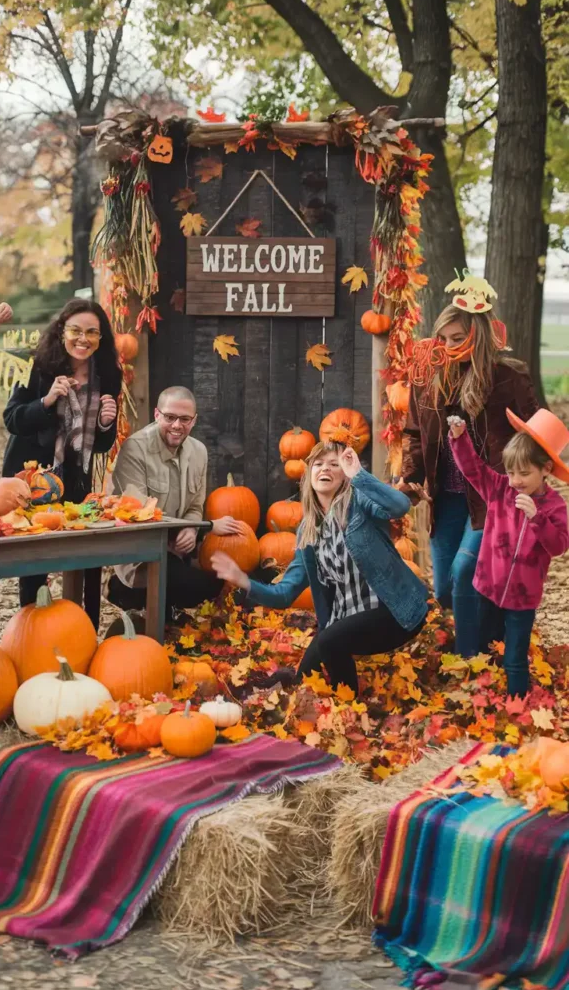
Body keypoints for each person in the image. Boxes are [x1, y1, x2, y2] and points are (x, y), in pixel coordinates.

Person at [211, 441, 429, 696]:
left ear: (344, 475)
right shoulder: (308, 531)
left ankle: (347, 706)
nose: (325, 468)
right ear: (308, 474)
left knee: (329, 640)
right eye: (318, 464)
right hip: (346, 621)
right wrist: (243, 580)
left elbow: (400, 505)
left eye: (334, 464)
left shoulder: (360, 503)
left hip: (395, 613)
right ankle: (285, 694)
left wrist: (359, 473)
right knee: (304, 679)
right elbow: (284, 594)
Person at [398, 274, 539, 658]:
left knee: (465, 575)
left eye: (457, 339)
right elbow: (413, 432)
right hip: (447, 497)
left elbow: (535, 432)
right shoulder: (427, 378)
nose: (447, 346)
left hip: (492, 498)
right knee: (444, 588)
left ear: (477, 335)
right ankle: (495, 638)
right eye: (443, 338)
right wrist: (410, 476)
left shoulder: (508, 378)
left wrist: (524, 479)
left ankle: (470, 660)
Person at [3, 297, 122, 628]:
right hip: (31, 476)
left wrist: (104, 424)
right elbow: (12, 419)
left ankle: (85, 628)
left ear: (101, 338)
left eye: (92, 333)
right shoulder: (39, 364)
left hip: (75, 477)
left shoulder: (108, 374)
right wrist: (47, 400)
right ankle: (31, 630)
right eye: (75, 330)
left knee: (83, 556)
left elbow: (101, 444)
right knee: (34, 560)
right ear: (61, 330)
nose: (83, 339)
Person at [449, 409, 569, 698]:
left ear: (545, 470)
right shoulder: (500, 488)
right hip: (487, 587)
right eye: (511, 471)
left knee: (514, 657)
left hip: (522, 598)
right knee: (484, 646)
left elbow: (559, 545)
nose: (515, 480)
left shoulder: (554, 507)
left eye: (524, 473)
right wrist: (459, 438)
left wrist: (537, 518)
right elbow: (473, 469)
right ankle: (482, 699)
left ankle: (516, 705)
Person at [107, 386, 244, 616]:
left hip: (176, 553)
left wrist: (191, 527)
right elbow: (140, 517)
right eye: (170, 417)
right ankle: (124, 590)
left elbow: (194, 506)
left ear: (194, 420)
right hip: (142, 554)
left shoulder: (199, 452)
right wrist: (206, 527)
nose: (177, 425)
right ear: (156, 414)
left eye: (185, 419)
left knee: (228, 585)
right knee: (199, 587)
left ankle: (162, 605)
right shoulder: (135, 450)